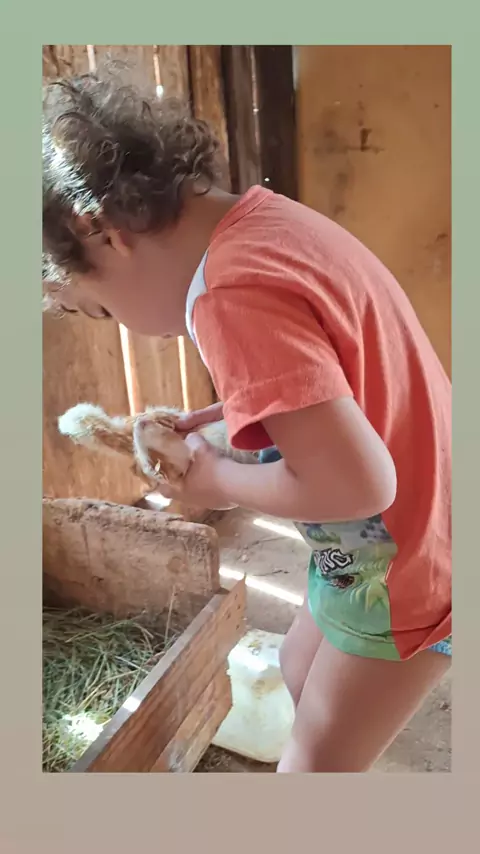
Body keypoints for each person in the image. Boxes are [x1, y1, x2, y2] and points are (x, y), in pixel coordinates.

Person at [42, 66, 451, 773]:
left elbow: (358, 483)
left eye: (99, 307)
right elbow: (323, 387)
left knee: (314, 765)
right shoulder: (264, 224)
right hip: (400, 524)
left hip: (410, 561)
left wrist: (218, 483)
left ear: (100, 230)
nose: (121, 325)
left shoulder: (229, 296)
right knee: (297, 669)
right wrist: (228, 421)